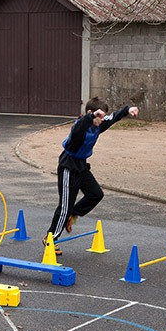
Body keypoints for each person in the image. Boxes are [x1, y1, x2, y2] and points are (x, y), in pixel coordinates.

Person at [45, 97, 139, 255]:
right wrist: (90, 117)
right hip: (68, 166)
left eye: (102, 118)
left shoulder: (98, 125)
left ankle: (73, 215)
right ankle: (51, 238)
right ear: (91, 113)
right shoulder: (80, 126)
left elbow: (113, 117)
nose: (102, 121)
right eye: (99, 117)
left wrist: (127, 110)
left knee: (96, 194)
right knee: (65, 206)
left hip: (81, 165)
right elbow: (78, 129)